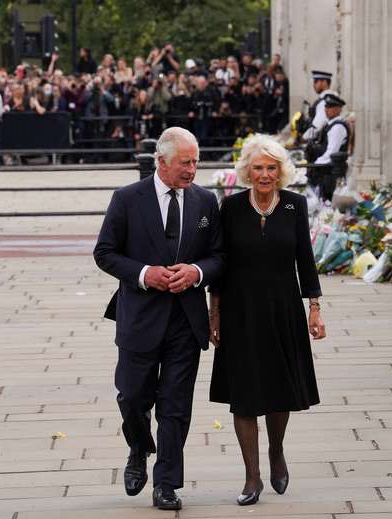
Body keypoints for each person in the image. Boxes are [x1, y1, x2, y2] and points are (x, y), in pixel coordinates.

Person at [93, 127, 224, 511]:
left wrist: (197, 273)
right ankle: (138, 446)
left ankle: (166, 483)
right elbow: (104, 253)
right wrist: (144, 273)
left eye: (196, 161)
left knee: (175, 405)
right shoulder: (127, 199)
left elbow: (219, 256)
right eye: (185, 162)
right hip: (139, 318)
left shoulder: (204, 201)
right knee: (132, 397)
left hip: (186, 319)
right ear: (161, 162)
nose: (193, 169)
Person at [209, 134, 326, 506]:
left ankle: (276, 450)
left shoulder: (294, 205)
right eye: (258, 167)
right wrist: (215, 312)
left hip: (283, 309)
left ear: (280, 171)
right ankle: (251, 476)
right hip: (240, 311)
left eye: (271, 168)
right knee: (243, 395)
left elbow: (304, 259)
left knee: (279, 391)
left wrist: (315, 308)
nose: (264, 174)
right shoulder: (230, 208)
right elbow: (220, 262)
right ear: (247, 170)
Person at [313, 92, 349, 201]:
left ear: (338, 109)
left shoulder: (338, 127)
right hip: (328, 170)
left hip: (332, 171)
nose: (326, 109)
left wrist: (315, 164)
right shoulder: (330, 124)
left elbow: (332, 152)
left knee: (328, 200)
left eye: (330, 107)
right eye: (326, 107)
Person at [301, 70, 332, 146]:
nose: (314, 85)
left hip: (320, 143)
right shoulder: (326, 98)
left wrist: (304, 138)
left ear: (324, 82)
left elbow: (318, 125)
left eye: (316, 82)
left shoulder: (324, 101)